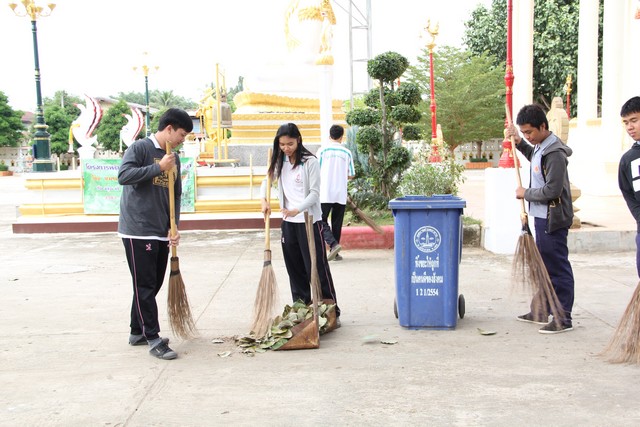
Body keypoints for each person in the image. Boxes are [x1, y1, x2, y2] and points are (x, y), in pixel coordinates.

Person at [118, 108, 193, 360]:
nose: (182, 139)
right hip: (138, 230)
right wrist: (158, 167)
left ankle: (137, 331)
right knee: (145, 286)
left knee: (152, 284)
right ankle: (153, 337)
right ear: (169, 129)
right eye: (181, 134)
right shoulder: (140, 148)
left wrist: (174, 225)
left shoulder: (175, 158)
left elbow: (176, 194)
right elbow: (124, 176)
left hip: (161, 229)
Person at [506, 103, 575, 334]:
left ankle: (563, 317)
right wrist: (518, 142)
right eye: (524, 132)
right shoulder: (540, 146)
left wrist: (525, 193)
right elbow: (534, 158)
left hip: (552, 218)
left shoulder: (554, 153)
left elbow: (553, 190)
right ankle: (542, 309)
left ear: (543, 126)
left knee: (557, 268)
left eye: (529, 132)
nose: (528, 136)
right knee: (545, 267)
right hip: (540, 216)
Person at [260, 123, 340, 318]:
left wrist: (297, 209)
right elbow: (266, 181)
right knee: (294, 268)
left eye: (290, 144)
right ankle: (302, 308)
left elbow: (314, 194)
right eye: (282, 145)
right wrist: (264, 200)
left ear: (298, 140)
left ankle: (330, 310)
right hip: (289, 223)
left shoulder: (309, 161)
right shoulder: (280, 161)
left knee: (317, 267)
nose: (286, 148)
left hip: (309, 221)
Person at [316, 124, 355, 261]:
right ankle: (335, 251)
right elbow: (351, 174)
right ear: (341, 137)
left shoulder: (322, 151)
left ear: (329, 136)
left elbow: (316, 170)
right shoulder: (347, 153)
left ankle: (333, 244)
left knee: (320, 220)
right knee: (337, 223)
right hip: (340, 193)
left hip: (324, 192)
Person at [618, 96, 640, 277]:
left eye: (634, 120)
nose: (629, 127)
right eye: (626, 122)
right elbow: (627, 193)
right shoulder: (627, 160)